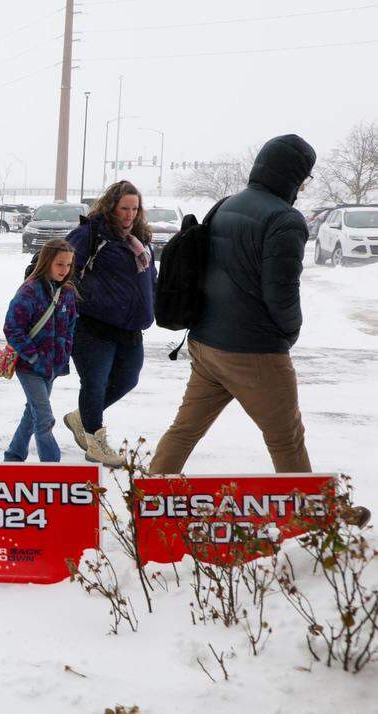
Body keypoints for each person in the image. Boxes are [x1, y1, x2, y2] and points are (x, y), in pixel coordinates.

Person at [150, 135, 317, 475]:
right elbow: (282, 292)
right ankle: (312, 519)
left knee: (184, 432)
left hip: (206, 344)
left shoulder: (225, 204)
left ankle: (147, 502)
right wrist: (289, 332)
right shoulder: (285, 219)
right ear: (294, 177)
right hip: (255, 351)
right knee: (286, 439)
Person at [63, 180, 157, 468]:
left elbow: (148, 279)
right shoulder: (89, 234)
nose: (129, 214)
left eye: (135, 208)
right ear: (111, 207)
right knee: (94, 383)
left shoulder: (140, 238)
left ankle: (81, 418)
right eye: (124, 208)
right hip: (93, 324)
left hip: (130, 327)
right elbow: (60, 265)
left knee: (128, 379)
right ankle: (96, 441)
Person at [2, 239, 79, 462]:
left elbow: (71, 326)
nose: (64, 271)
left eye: (68, 265)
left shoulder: (67, 293)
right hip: (29, 366)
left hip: (52, 366)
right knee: (44, 418)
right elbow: (12, 328)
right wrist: (34, 357)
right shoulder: (30, 291)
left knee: (32, 412)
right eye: (59, 265)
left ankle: (13, 456)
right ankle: (51, 466)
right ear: (47, 262)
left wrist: (63, 355)